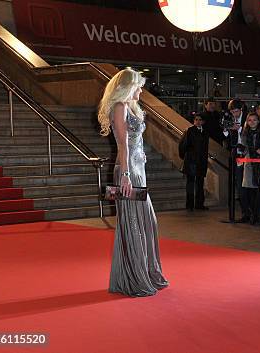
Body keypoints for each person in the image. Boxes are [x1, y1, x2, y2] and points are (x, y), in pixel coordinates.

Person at [97, 68, 168, 297]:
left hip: (138, 169)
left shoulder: (130, 107)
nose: (141, 89)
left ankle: (143, 272)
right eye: (138, 85)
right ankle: (134, 278)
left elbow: (134, 143)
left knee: (146, 222)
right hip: (129, 173)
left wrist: (141, 156)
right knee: (135, 224)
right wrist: (126, 175)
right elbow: (123, 145)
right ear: (127, 87)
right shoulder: (119, 108)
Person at [238, 112, 260, 225]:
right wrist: (242, 150)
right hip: (249, 164)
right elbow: (244, 148)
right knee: (251, 192)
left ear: (258, 121)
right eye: (250, 120)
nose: (252, 122)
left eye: (254, 120)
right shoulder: (244, 133)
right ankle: (254, 215)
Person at [179, 114, 210, 211]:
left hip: (201, 161)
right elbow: (183, 145)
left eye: (200, 120)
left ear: (203, 122)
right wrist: (185, 157)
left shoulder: (205, 132)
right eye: (196, 119)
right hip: (191, 160)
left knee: (200, 183)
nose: (198, 121)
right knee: (191, 183)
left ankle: (199, 204)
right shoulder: (190, 130)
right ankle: (190, 205)